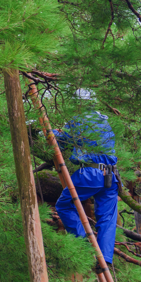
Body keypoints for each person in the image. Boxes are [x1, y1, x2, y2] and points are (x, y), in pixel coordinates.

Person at [53, 110, 119, 265]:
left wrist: (49, 132)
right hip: (110, 175)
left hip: (91, 173)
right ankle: (105, 258)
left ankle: (82, 244)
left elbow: (63, 139)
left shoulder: (79, 119)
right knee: (108, 218)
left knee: (63, 204)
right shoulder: (105, 122)